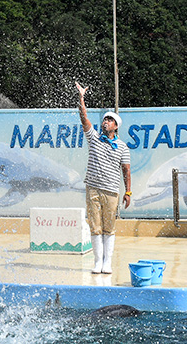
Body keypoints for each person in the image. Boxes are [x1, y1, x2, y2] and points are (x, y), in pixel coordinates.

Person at [76, 82, 131, 274]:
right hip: (93, 187)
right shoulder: (94, 138)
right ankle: (98, 261)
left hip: (111, 190)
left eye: (109, 120)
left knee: (109, 227)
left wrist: (128, 192)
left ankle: (108, 262)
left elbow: (126, 170)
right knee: (95, 226)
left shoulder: (123, 147)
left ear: (116, 126)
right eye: (104, 119)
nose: (105, 122)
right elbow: (84, 119)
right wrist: (81, 98)